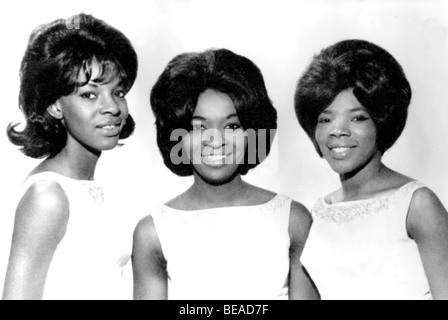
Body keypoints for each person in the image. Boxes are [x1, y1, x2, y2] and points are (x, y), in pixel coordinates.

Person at [132, 49, 318, 300]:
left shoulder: (292, 219)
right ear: (177, 136)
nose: (215, 140)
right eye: (199, 127)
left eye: (232, 125)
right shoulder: (152, 232)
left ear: (252, 132)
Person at [295, 39, 448, 300]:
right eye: (325, 119)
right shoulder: (318, 213)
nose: (337, 130)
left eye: (358, 117)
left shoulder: (417, 204)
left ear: (382, 121)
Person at [2, 13, 138, 300]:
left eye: (119, 91)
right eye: (89, 95)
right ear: (54, 106)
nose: (111, 106)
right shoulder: (48, 196)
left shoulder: (95, 189)